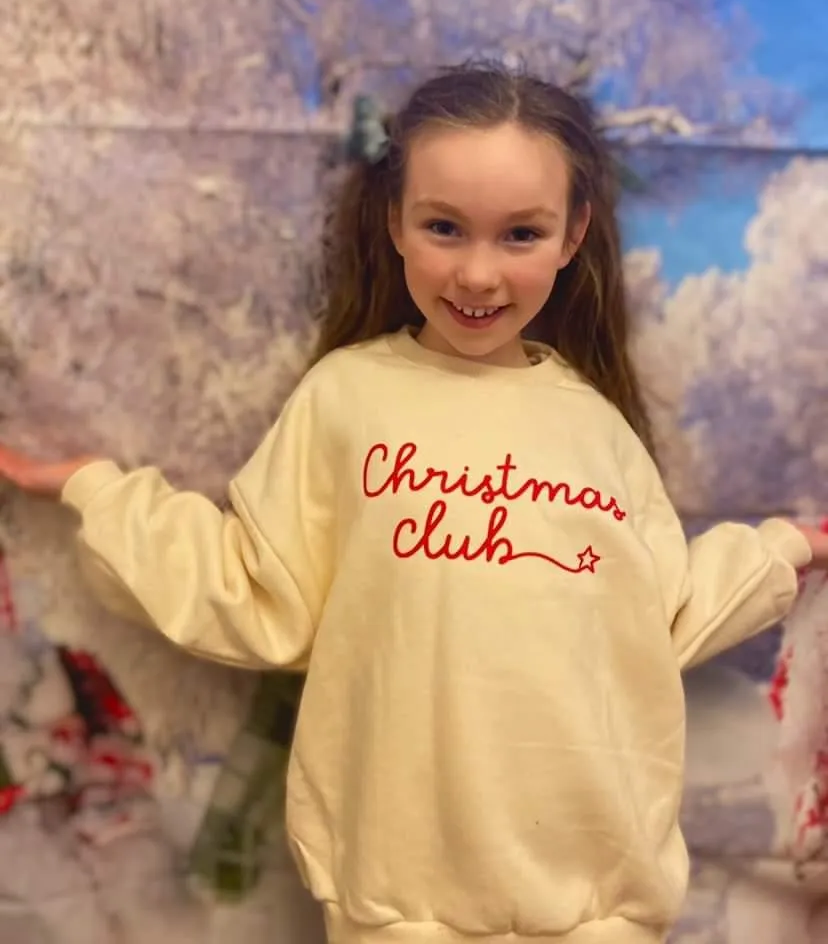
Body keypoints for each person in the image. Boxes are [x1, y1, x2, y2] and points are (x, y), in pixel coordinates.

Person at [0, 62, 825, 944]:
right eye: (444, 227)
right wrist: (98, 490)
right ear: (395, 220)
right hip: (396, 916)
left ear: (572, 232)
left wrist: (785, 548)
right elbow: (251, 587)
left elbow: (658, 614)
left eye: (519, 234)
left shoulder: (595, 429)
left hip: (596, 917)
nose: (477, 273)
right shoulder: (347, 399)